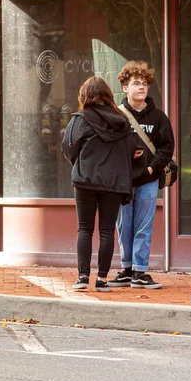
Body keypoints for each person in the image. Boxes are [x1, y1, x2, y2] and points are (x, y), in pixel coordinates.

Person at [61, 76, 139, 292]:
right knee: (107, 231)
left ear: (84, 95)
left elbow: (68, 147)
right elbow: (131, 149)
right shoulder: (122, 120)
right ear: (108, 95)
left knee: (84, 229)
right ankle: (102, 279)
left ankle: (83, 277)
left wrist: (81, 163)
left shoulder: (79, 119)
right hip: (113, 183)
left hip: (85, 181)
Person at [108, 60, 175, 289]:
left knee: (143, 226)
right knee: (123, 225)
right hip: (123, 182)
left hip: (148, 180)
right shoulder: (116, 115)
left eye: (145, 83)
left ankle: (140, 271)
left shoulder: (158, 117)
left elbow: (167, 148)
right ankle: (126, 269)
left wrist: (151, 168)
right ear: (125, 87)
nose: (142, 87)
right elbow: (107, 146)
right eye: (136, 83)